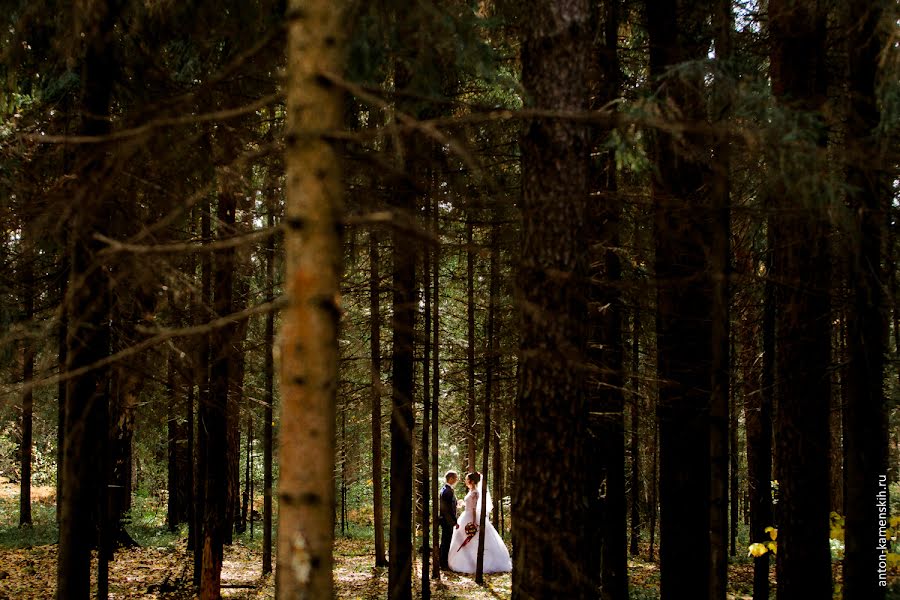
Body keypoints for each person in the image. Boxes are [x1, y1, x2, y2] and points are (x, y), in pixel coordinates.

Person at [447, 472, 511, 574]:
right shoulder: (471, 491)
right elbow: (470, 504)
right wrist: (462, 503)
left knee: (474, 539)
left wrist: (473, 522)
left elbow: (473, 508)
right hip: (466, 514)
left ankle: (475, 564)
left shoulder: (475, 492)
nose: (465, 481)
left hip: (471, 517)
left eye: (467, 479)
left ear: (471, 481)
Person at [439, 470, 459, 570]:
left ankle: (443, 562)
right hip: (447, 521)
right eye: (456, 478)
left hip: (446, 520)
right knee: (446, 542)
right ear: (451, 479)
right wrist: (454, 522)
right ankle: (443, 564)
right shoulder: (447, 491)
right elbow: (448, 509)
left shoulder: (445, 489)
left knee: (445, 541)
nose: (457, 480)